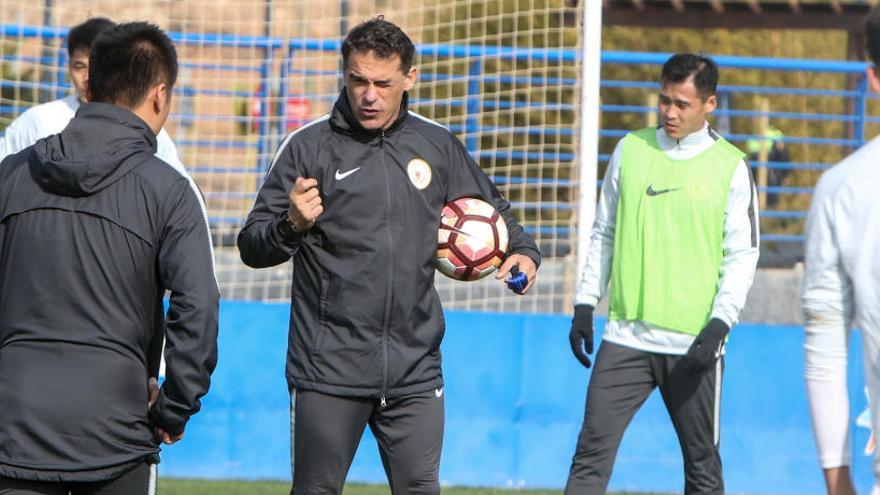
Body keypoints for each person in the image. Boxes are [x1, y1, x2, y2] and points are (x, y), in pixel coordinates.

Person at [238, 16, 540, 495]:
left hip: (415, 368)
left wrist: (524, 250)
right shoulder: (308, 147)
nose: (369, 95)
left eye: (382, 82)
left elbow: (493, 210)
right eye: (358, 80)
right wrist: (290, 224)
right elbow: (251, 246)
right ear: (345, 75)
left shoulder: (436, 146)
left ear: (409, 79)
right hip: (328, 368)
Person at [0, 22, 219, 495]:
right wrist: (174, 409)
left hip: (13, 426)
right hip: (116, 434)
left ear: (90, 86)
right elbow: (198, 308)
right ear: (160, 95)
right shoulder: (170, 191)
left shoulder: (10, 174)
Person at [566, 53, 759, 494]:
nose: (670, 112)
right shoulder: (630, 150)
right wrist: (584, 303)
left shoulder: (731, 166)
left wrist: (718, 325)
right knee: (589, 457)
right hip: (625, 337)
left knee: (702, 467)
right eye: (664, 101)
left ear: (710, 104)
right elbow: (604, 232)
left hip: (694, 342)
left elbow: (742, 256)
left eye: (682, 104)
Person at [802, 6, 880, 495]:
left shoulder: (842, 188)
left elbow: (826, 347)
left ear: (872, 79)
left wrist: (838, 481)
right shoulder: (843, 189)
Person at [0, 17, 184, 170]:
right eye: (79, 66)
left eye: (96, 67)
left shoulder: (150, 131)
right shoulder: (38, 120)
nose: (88, 77)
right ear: (69, 65)